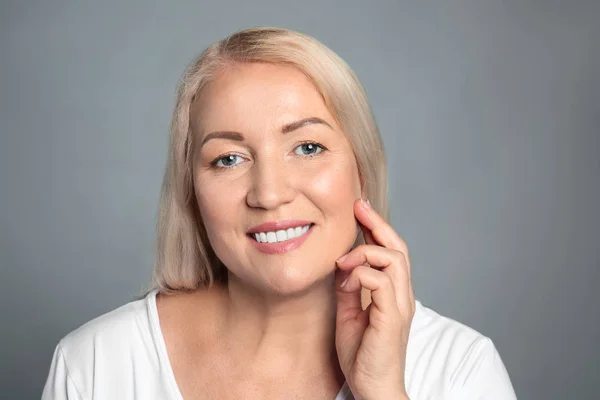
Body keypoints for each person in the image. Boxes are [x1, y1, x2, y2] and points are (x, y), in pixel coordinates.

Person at [42, 27, 517, 399]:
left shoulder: (459, 368)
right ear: (192, 192)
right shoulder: (95, 365)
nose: (269, 194)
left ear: (362, 172)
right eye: (228, 158)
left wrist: (382, 394)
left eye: (307, 147)